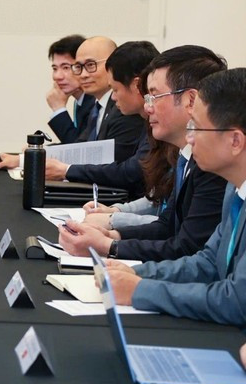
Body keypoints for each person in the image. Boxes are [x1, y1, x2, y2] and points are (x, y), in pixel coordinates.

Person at [102, 68, 246, 338]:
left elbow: (238, 301)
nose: (188, 139)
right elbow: (208, 262)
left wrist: (139, 290)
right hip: (230, 335)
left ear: (235, 140)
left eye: (195, 127)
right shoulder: (241, 178)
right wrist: (139, 273)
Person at [60, 46, 228, 261]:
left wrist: (110, 245)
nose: (148, 108)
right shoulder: (186, 156)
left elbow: (186, 247)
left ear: (191, 101)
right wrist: (112, 236)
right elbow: (166, 226)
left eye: (154, 97)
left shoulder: (213, 165)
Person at [45, 41, 157, 198]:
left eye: (91, 65)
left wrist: (66, 170)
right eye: (78, 67)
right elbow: (83, 147)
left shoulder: (127, 113)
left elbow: (129, 171)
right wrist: (35, 156)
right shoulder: (98, 106)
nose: (83, 74)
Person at [45, 34, 95, 144]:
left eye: (66, 67)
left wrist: (59, 109)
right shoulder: (81, 101)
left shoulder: (95, 102)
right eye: (55, 68)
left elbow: (80, 151)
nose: (57, 76)